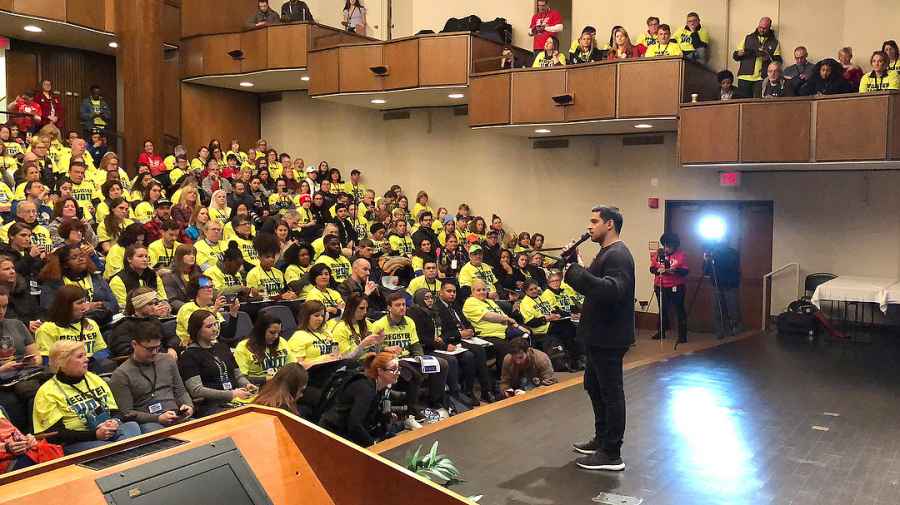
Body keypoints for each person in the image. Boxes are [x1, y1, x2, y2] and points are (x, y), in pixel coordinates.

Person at [564, 205, 634, 472]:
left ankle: (612, 452)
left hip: (609, 336)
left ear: (610, 225)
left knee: (611, 392)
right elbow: (594, 281)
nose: (589, 226)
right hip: (598, 334)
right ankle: (602, 439)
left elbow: (612, 291)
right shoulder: (606, 252)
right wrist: (575, 263)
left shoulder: (618, 255)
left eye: (595, 221)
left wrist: (575, 272)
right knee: (594, 385)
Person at [32, 340, 141, 454]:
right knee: (108, 448)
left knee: (131, 426)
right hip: (75, 442)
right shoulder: (47, 392)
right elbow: (54, 436)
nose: (86, 359)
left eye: (85, 355)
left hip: (107, 431)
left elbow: (114, 411)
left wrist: (114, 421)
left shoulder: (94, 379)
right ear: (62, 362)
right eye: (80, 356)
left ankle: (126, 457)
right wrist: (95, 434)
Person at [371, 292, 449, 416]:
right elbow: (373, 349)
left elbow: (415, 344)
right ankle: (412, 409)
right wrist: (386, 348)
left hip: (410, 358)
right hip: (392, 361)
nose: (402, 307)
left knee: (443, 364)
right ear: (389, 308)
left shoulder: (409, 321)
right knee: (412, 372)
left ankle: (435, 402)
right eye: (397, 305)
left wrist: (421, 358)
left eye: (403, 304)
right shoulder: (379, 325)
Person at [109, 331, 194, 433]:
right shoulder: (121, 374)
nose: (154, 352)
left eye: (157, 347)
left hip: (176, 415)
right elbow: (127, 413)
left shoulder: (167, 360)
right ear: (134, 345)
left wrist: (188, 405)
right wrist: (157, 418)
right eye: (149, 349)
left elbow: (180, 391)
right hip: (149, 422)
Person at [179, 310, 256, 417]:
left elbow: (237, 375)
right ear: (197, 330)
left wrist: (246, 384)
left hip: (236, 398)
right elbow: (196, 390)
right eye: (209, 326)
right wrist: (231, 394)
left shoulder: (222, 347)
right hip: (211, 405)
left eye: (216, 324)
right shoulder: (189, 356)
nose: (215, 329)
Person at [318, 351, 398, 447]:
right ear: (380, 371)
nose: (398, 372)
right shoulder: (365, 389)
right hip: (332, 434)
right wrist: (373, 445)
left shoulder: (380, 388)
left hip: (346, 432)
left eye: (399, 368)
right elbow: (354, 424)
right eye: (393, 369)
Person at [35, 284, 114, 373]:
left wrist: (89, 362)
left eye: (85, 302)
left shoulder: (90, 324)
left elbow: (101, 351)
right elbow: (48, 362)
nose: (85, 307)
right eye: (79, 303)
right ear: (65, 305)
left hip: (93, 371)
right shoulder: (47, 329)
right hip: (64, 375)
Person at [234, 313, 295, 386]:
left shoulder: (282, 341)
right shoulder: (243, 347)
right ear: (261, 331)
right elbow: (241, 378)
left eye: (279, 333)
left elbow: (293, 366)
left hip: (282, 385)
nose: (276, 336)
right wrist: (268, 379)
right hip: (258, 387)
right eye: (272, 332)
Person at [650, 233, 688, 343]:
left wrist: (674, 271)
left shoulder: (681, 255)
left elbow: (685, 271)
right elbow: (652, 268)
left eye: (669, 246)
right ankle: (661, 332)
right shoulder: (659, 254)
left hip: (676, 286)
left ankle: (682, 335)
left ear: (675, 246)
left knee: (679, 310)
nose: (666, 248)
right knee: (662, 310)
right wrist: (658, 271)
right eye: (665, 245)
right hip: (660, 285)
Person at [733, 17, 782, 99]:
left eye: (765, 28)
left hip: (762, 78)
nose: (762, 30)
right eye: (760, 27)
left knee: (758, 103)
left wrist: (768, 58)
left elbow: (778, 61)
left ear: (769, 28)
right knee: (743, 102)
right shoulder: (748, 38)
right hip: (745, 77)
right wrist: (739, 54)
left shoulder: (774, 42)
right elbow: (735, 56)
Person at [705, 242, 742, 339]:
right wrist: (706, 261)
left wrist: (715, 257)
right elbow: (705, 271)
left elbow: (728, 265)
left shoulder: (733, 253)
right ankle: (719, 331)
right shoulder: (712, 253)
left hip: (730, 285)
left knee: (732, 309)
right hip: (716, 286)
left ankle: (734, 329)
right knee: (717, 309)